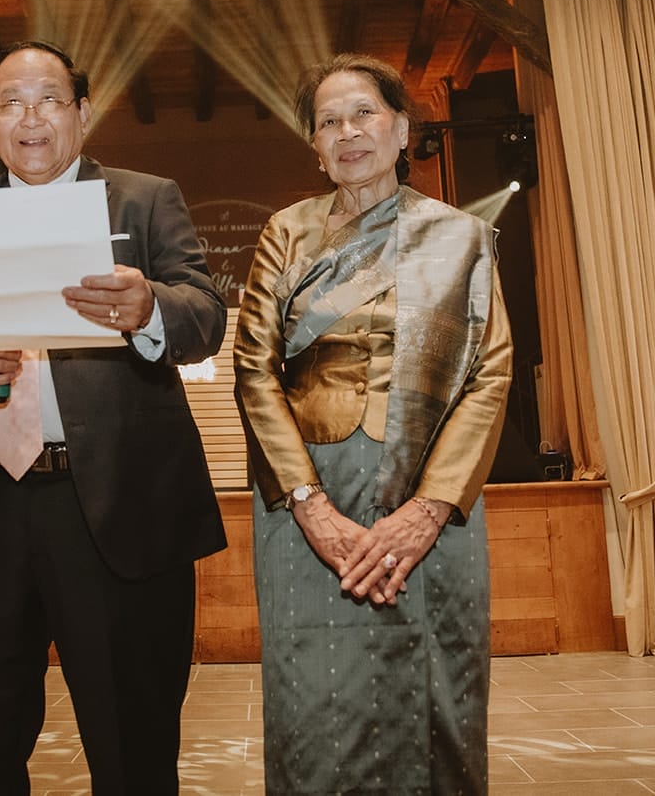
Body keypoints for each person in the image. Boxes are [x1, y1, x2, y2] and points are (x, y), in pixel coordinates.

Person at [0, 40, 228, 794]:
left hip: (114, 514)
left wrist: (148, 308)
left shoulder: (143, 199)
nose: (31, 117)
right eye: (11, 102)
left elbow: (205, 314)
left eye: (49, 98)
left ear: (81, 111)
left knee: (131, 747)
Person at [233, 53, 513, 794]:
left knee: (435, 693)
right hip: (307, 496)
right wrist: (310, 506)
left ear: (401, 128)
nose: (347, 131)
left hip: (430, 493)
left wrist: (427, 509)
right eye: (329, 121)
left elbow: (491, 373)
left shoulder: (459, 237)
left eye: (363, 113)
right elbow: (253, 370)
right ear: (315, 146)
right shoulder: (286, 234)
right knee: (313, 699)